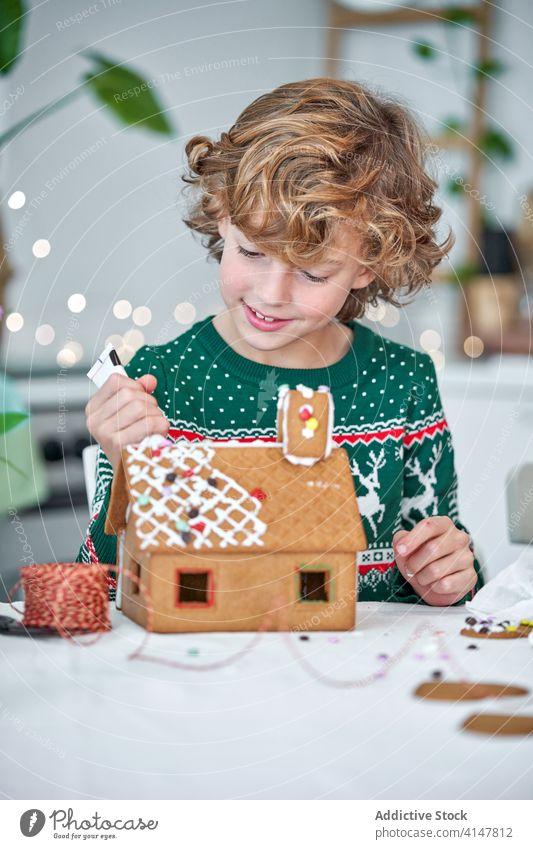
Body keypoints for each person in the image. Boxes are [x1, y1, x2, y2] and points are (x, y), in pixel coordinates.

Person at [77, 77, 484, 606]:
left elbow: (451, 572)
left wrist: (450, 573)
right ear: (223, 216)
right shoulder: (161, 381)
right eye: (251, 253)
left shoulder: (402, 383)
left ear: (369, 265)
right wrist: (126, 468)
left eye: (313, 274)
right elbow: (105, 589)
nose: (271, 295)